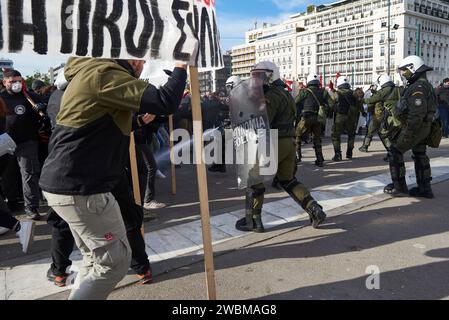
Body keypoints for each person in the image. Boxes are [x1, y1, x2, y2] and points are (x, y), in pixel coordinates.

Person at [39, 57, 187, 300]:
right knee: (114, 264)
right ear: (130, 58)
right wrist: (182, 65)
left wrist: (138, 121)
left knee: (93, 259)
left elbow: (97, 125)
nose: (143, 64)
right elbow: (166, 101)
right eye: (141, 58)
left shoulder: (89, 73)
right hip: (81, 187)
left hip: (66, 184)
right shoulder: (105, 73)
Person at [234, 61, 326, 233]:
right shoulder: (285, 93)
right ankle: (314, 209)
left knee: (254, 181)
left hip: (273, 142)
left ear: (271, 75)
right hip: (288, 142)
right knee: (288, 180)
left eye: (260, 76)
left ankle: (254, 221)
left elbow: (262, 121)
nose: (257, 80)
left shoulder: (271, 96)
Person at [384, 55, 437, 198]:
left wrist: (408, 133)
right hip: (424, 128)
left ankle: (400, 188)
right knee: (420, 155)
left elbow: (416, 114)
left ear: (413, 68)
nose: (403, 73)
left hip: (415, 128)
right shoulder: (425, 84)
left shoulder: (417, 87)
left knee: (395, 152)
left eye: (404, 70)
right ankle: (425, 189)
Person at [1, 70, 44, 220]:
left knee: (29, 174)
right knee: (7, 175)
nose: (16, 84)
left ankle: (31, 207)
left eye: (19, 81)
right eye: (12, 81)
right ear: (5, 82)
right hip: (5, 142)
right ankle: (12, 202)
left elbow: (46, 103)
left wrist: (41, 106)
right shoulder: (1, 97)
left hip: (27, 140)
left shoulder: (29, 96)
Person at [359, 74, 401, 157]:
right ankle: (394, 152)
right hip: (397, 115)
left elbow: (371, 100)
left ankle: (391, 153)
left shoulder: (383, 91)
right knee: (394, 135)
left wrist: (361, 100)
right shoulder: (397, 89)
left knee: (381, 133)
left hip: (384, 116)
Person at [295, 74, 331, 167]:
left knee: (297, 135)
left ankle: (297, 157)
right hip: (318, 118)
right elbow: (331, 104)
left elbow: (295, 101)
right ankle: (319, 159)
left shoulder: (304, 91)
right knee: (317, 138)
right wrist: (324, 110)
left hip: (306, 118)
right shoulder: (324, 92)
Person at [208, 76, 241, 173]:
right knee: (221, 144)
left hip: (241, 127)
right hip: (232, 126)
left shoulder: (241, 97)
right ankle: (219, 165)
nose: (228, 89)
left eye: (229, 86)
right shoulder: (234, 97)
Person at [330, 77, 366, 161]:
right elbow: (360, 104)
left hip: (340, 116)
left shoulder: (337, 93)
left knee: (336, 135)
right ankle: (349, 153)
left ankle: (338, 154)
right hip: (352, 117)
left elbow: (331, 105)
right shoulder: (354, 93)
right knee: (351, 135)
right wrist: (363, 112)